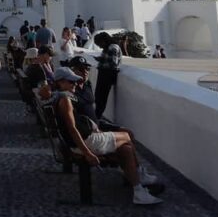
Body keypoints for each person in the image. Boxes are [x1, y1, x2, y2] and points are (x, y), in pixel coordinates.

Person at [50, 67, 162, 206]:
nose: (74, 84)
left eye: (75, 82)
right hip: (87, 142)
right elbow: (72, 129)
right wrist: (87, 153)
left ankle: (138, 189)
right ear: (60, 82)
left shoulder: (57, 97)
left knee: (125, 149)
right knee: (127, 136)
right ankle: (140, 175)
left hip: (82, 141)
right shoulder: (65, 99)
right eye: (71, 82)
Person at [94, 31, 122, 119]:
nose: (99, 46)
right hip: (103, 73)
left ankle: (97, 116)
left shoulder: (113, 47)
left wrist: (102, 61)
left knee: (102, 98)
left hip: (107, 75)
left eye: (99, 43)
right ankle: (97, 115)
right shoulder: (107, 48)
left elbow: (113, 63)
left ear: (104, 40)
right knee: (98, 96)